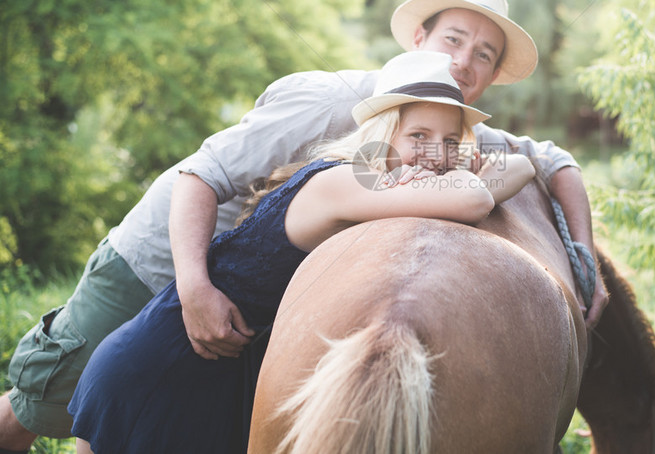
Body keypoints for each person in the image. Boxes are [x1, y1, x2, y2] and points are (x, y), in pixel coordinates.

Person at [0, 0, 607, 453]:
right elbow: (198, 175)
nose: (464, 62)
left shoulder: (428, 139)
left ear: (489, 81)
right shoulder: (336, 119)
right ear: (418, 39)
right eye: (454, 40)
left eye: (484, 55)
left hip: (240, 332)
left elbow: (543, 156)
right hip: (161, 266)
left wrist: (582, 259)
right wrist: (194, 288)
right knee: (35, 408)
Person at [67, 51, 538, 454]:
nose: (435, 154)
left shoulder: (388, 184)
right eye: (418, 136)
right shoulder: (345, 179)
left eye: (450, 141)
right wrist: (463, 174)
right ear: (383, 134)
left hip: (227, 367)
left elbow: (519, 164)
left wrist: (456, 166)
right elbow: (475, 199)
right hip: (166, 359)